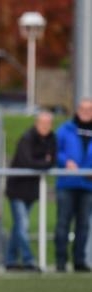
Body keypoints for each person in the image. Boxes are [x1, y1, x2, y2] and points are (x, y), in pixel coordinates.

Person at [5, 110, 56, 272]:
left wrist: (42, 162)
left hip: (31, 191)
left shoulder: (52, 139)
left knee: (18, 227)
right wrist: (44, 162)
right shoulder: (27, 138)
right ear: (36, 123)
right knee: (22, 225)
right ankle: (28, 260)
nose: (45, 127)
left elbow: (52, 160)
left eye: (48, 123)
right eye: (42, 123)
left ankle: (10, 260)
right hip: (17, 189)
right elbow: (28, 161)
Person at [54, 98, 92, 272]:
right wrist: (65, 162)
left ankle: (79, 260)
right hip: (67, 183)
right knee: (63, 223)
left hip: (87, 185)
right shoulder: (65, 130)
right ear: (77, 110)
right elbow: (55, 151)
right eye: (82, 108)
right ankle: (61, 261)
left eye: (89, 109)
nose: (85, 112)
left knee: (83, 224)